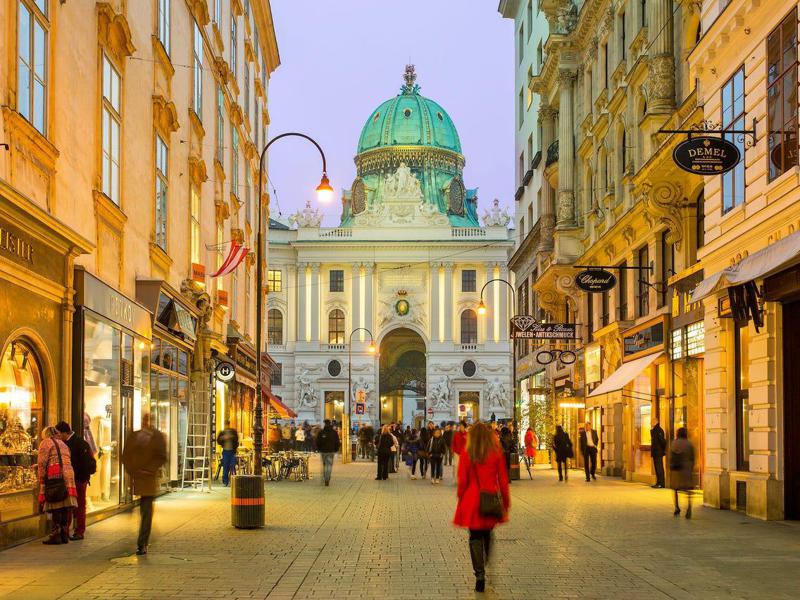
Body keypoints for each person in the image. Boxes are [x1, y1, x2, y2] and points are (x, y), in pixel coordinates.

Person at [453, 422, 510, 593]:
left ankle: (479, 574)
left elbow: (462, 480)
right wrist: (506, 502)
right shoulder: (496, 453)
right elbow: (503, 480)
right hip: (490, 498)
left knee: (474, 536)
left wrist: (461, 496)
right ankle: (484, 560)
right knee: (487, 532)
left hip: (472, 499)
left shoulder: (467, 453)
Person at [122, 413, 167, 555]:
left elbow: (162, 456)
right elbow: (125, 456)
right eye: (144, 420)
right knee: (144, 510)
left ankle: (142, 543)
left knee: (146, 511)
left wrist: (149, 470)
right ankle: (142, 540)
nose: (145, 423)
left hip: (148, 479)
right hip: (137, 478)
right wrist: (133, 471)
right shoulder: (134, 436)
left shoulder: (157, 437)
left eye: (148, 420)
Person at [37, 427, 78, 545]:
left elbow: (42, 463)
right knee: (65, 506)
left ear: (45, 434)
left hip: (56, 475)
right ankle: (64, 534)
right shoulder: (63, 444)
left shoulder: (46, 443)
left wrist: (41, 481)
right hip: (69, 476)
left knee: (56, 505)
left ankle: (56, 535)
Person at [55, 421, 96, 540]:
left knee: (78, 506)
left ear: (64, 432)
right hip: (74, 479)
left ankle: (79, 531)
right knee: (71, 505)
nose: (57, 436)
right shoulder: (71, 442)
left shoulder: (78, 443)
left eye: (58, 433)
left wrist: (82, 478)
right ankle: (68, 530)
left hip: (78, 479)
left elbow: (84, 463)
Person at [670, 427, 695, 518]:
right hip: (687, 468)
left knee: (676, 489)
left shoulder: (674, 443)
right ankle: (689, 507)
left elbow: (671, 456)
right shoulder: (689, 444)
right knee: (688, 489)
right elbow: (693, 457)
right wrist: (691, 467)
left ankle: (677, 507)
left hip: (677, 469)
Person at [316, 420, 340, 486]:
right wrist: (336, 449)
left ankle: (325, 477)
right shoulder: (334, 432)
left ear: (324, 424)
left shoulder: (321, 432)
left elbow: (317, 442)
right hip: (331, 451)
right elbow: (337, 442)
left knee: (324, 465)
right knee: (329, 465)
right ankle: (327, 478)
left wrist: (319, 449)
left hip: (323, 451)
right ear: (330, 424)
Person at [216, 421, 239, 487]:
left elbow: (236, 439)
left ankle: (234, 480)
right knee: (226, 466)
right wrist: (223, 438)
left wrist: (231, 437)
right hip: (225, 451)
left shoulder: (233, 432)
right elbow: (218, 441)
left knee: (232, 465)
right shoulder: (222, 433)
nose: (226, 425)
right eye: (225, 424)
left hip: (232, 451)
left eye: (227, 424)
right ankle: (225, 481)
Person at [651, 418, 667, 488]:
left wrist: (662, 450)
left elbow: (662, 441)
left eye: (652, 422)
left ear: (655, 422)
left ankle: (661, 483)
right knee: (657, 468)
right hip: (656, 452)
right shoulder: (655, 430)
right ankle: (658, 483)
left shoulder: (658, 430)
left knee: (659, 468)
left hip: (658, 452)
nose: (650, 423)